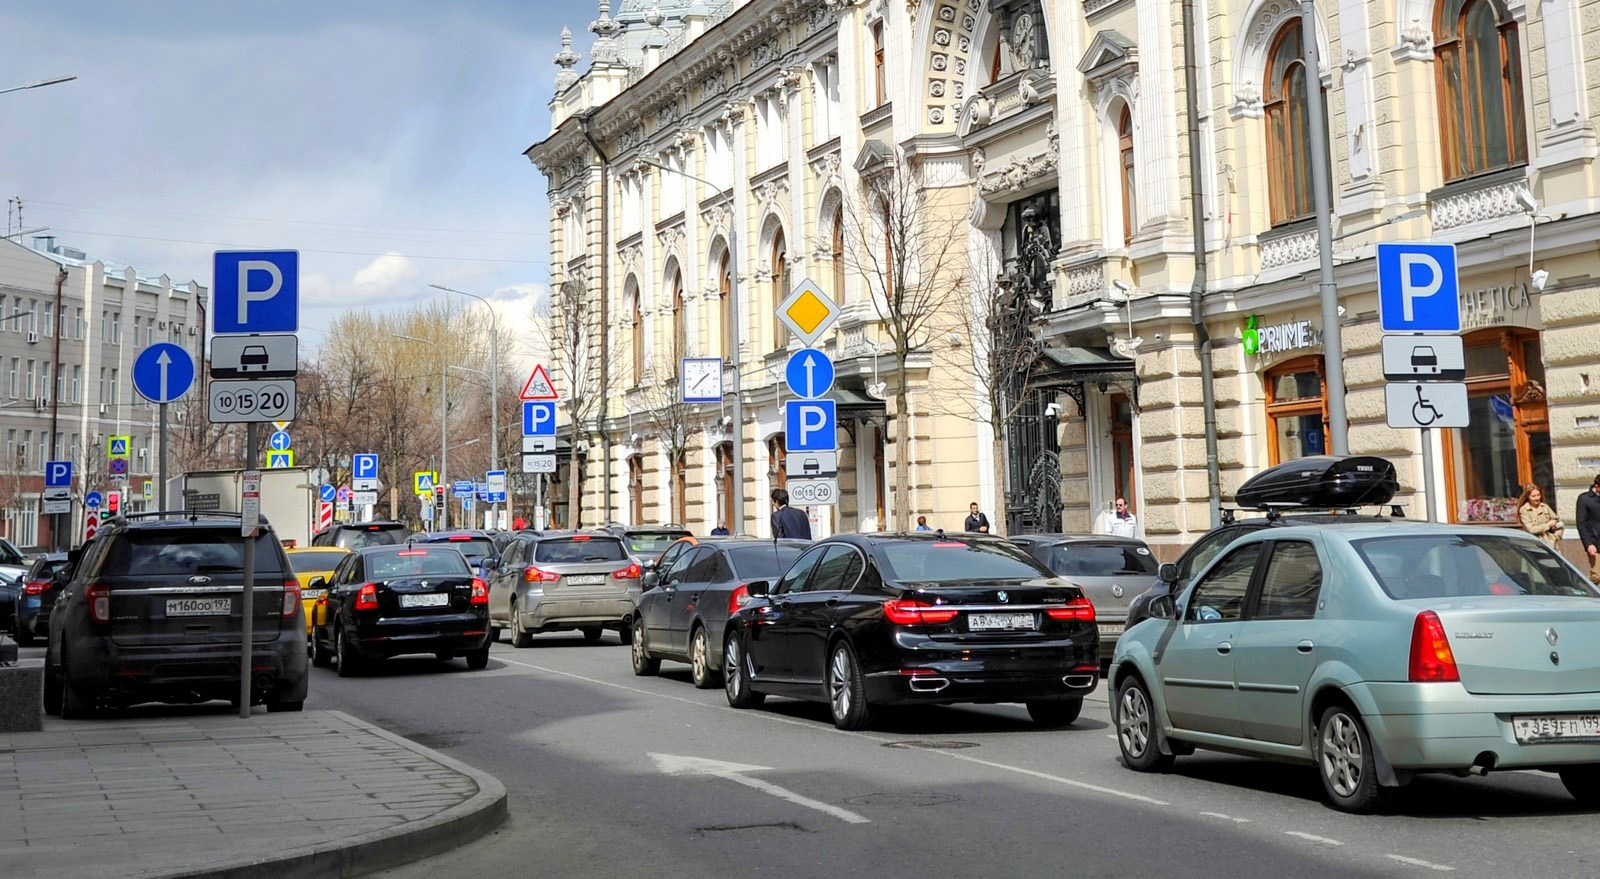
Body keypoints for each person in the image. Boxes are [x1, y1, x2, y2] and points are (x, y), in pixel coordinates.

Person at [1516, 483, 1564, 549]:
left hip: (1551, 545)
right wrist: (1548, 525)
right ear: (1528, 497)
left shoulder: (1545, 507)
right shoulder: (1524, 510)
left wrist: (1555, 537)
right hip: (1534, 546)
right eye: (1533, 496)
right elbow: (1531, 529)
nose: (1537, 498)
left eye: (1538, 495)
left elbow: (1558, 523)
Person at [1579, 473, 1600, 585]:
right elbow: (1581, 523)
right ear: (1597, 486)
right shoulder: (1585, 499)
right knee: (1597, 576)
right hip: (1595, 543)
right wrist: (1588, 544)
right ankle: (1584, 591)